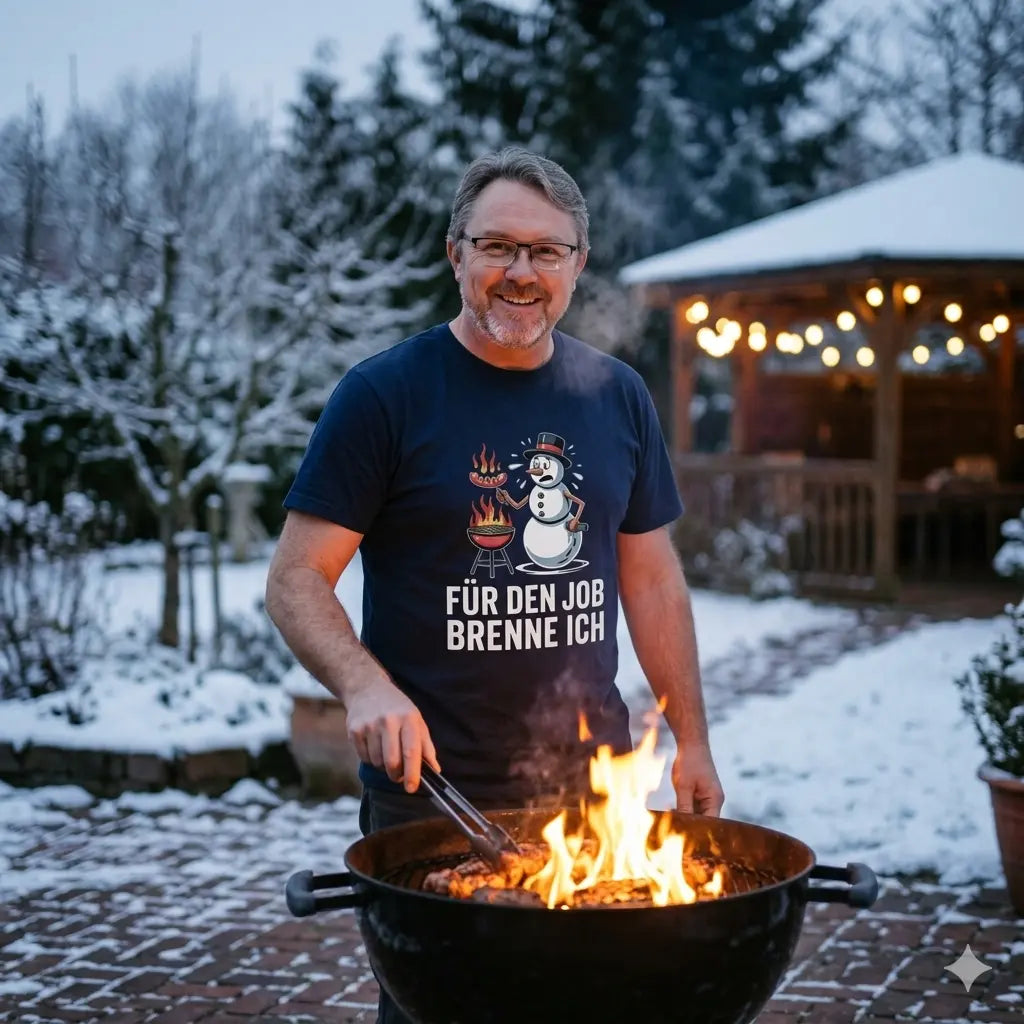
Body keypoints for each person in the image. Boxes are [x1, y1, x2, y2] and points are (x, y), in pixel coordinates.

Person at [265, 146, 723, 1023]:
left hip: (592, 790)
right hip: (432, 796)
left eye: (547, 252)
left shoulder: (617, 396)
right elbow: (295, 580)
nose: (522, 272)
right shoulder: (383, 396)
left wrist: (693, 740)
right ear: (456, 253)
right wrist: (364, 686)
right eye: (498, 247)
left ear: (579, 264)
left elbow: (655, 583)